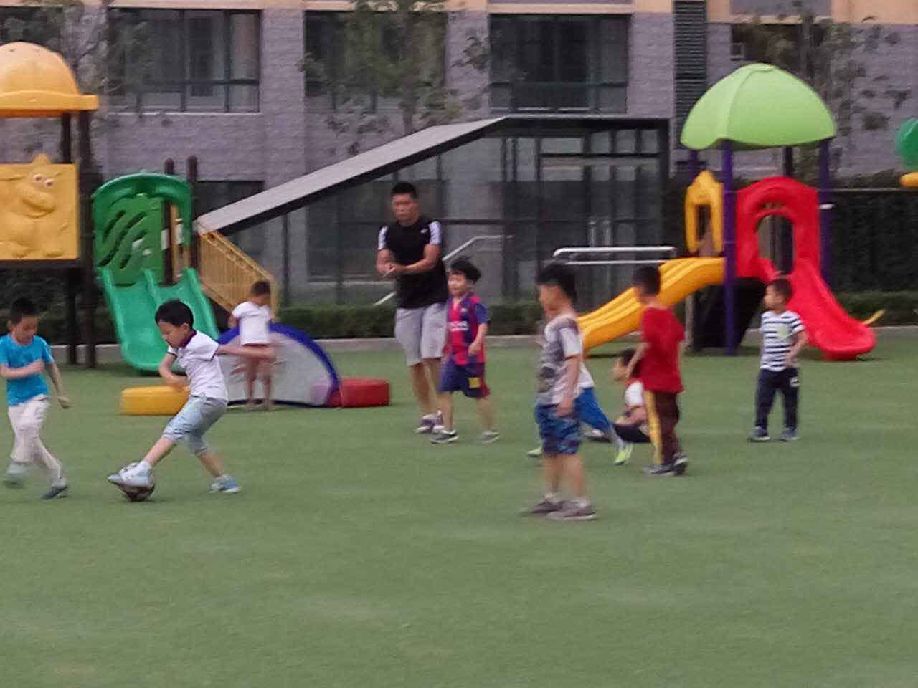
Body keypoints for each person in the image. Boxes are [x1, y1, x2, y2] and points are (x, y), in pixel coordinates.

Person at [107, 300, 274, 495]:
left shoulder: (200, 342)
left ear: (184, 328)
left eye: (168, 332)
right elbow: (163, 366)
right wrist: (170, 378)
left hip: (208, 397)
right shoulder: (177, 344)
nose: (164, 337)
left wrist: (263, 353)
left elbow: (229, 350)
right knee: (194, 438)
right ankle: (225, 481)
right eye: (162, 333)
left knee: (174, 429)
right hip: (213, 400)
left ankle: (142, 470)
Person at [376, 182, 449, 434]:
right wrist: (386, 269)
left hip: (434, 299)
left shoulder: (431, 226)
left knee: (431, 356)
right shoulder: (387, 231)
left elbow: (430, 261)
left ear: (415, 204)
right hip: (407, 302)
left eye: (406, 203)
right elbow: (382, 260)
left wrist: (403, 269)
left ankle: (444, 412)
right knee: (414, 360)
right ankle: (427, 415)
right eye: (397, 204)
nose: (401, 208)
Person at [527, 263, 595, 521]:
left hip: (560, 398)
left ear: (555, 290)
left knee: (568, 449)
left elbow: (574, 358)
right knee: (550, 448)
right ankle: (552, 497)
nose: (540, 298)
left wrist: (567, 396)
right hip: (548, 398)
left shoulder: (566, 324)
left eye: (542, 292)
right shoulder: (556, 324)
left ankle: (581, 503)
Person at [0, 298, 70, 500]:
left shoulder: (40, 344)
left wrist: (61, 392)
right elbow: (5, 372)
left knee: (27, 427)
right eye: (26, 328)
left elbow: (51, 366)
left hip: (38, 397)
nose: (31, 332)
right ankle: (58, 479)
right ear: (12, 326)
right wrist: (29, 369)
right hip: (15, 402)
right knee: (33, 445)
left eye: (35, 327)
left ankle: (18, 464)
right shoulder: (3, 345)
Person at [626, 266, 688, 477]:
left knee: (656, 422)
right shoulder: (668, 313)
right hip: (671, 378)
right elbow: (680, 340)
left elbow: (647, 344)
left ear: (641, 288)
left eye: (634, 288)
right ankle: (676, 454)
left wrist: (632, 364)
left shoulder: (649, 315)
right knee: (668, 419)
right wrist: (675, 366)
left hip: (655, 380)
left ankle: (664, 461)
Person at [431, 258, 499, 445]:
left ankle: (489, 430)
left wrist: (477, 342)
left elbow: (483, 324)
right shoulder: (449, 303)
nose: (453, 284)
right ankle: (448, 430)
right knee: (443, 390)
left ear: (469, 283)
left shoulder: (474, 304)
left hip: (472, 361)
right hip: (454, 358)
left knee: (478, 393)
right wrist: (445, 347)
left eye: (458, 280)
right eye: (451, 279)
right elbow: (449, 327)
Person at [749, 277, 807, 442]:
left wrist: (792, 354)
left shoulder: (791, 318)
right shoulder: (766, 317)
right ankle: (761, 428)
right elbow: (765, 338)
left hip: (788, 370)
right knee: (763, 398)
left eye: (769, 294)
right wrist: (762, 358)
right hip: (768, 368)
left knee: (790, 400)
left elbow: (803, 338)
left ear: (780, 298)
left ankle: (790, 429)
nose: (765, 298)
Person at [229, 280, 274, 411]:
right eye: (263, 298)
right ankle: (250, 401)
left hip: (264, 345)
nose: (264, 301)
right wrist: (235, 332)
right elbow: (233, 319)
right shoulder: (244, 307)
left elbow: (270, 323)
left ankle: (267, 401)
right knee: (250, 373)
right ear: (255, 295)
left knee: (267, 374)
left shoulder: (265, 310)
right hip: (249, 345)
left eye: (266, 299)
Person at [611, 348, 651, 465]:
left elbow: (641, 415)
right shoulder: (641, 383)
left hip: (647, 432)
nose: (613, 369)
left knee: (606, 427)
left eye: (617, 365)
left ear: (628, 368)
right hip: (658, 430)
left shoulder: (633, 389)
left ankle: (625, 444)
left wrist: (624, 424)